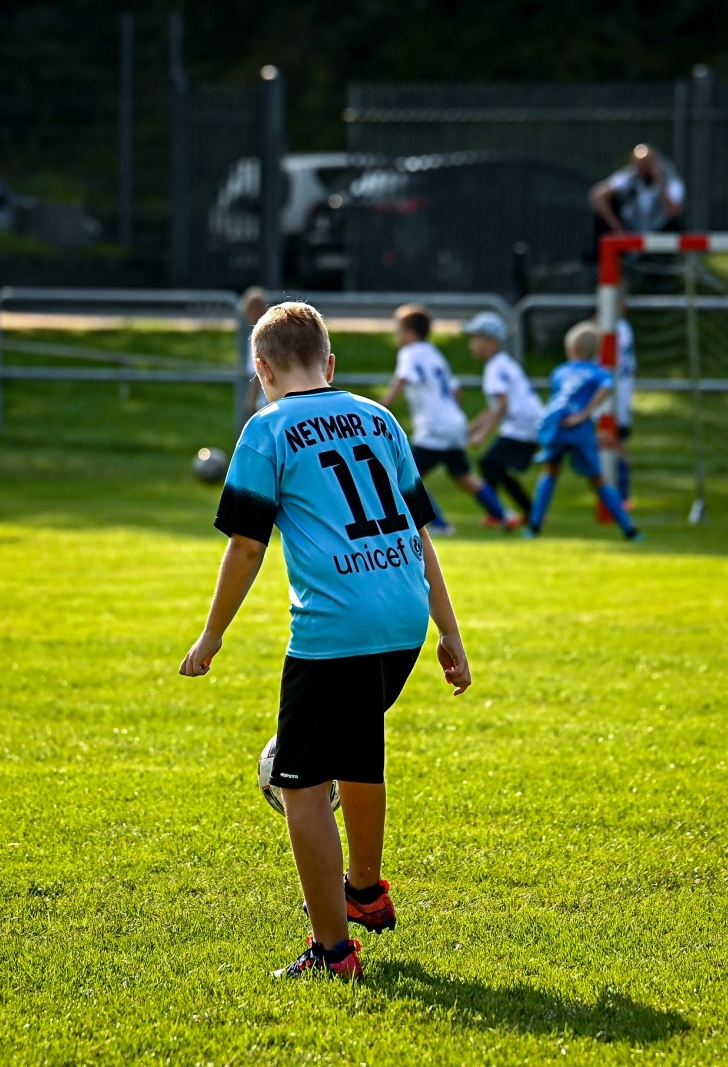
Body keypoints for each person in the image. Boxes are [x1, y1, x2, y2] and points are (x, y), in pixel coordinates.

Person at [177, 302, 471, 980]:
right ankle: (365, 892)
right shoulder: (380, 417)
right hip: (402, 616)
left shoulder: (267, 428)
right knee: (358, 753)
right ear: (330, 364)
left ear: (262, 370)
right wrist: (449, 631)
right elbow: (419, 533)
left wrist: (212, 634)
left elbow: (248, 546)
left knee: (301, 782)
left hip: (336, 622)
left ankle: (333, 951)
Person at [381, 304, 514, 534]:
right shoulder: (434, 353)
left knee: (403, 474)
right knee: (463, 475)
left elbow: (400, 382)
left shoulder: (410, 353)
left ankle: (441, 524)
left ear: (410, 333)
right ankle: (503, 515)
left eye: (399, 330)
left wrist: (379, 409)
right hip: (453, 423)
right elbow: (456, 390)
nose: (397, 336)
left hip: (433, 428)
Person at [525, 321, 641, 541]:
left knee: (550, 472)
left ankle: (534, 526)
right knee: (598, 481)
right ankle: (629, 529)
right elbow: (608, 386)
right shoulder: (598, 372)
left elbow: (556, 398)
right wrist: (587, 413)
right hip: (580, 428)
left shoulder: (559, 372)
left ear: (572, 349)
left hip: (559, 426)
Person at [462, 311, 538, 526]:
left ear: (490, 341)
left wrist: (481, 436)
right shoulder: (502, 364)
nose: (472, 345)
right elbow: (493, 407)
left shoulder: (495, 368)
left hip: (522, 427)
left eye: (476, 339)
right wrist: (471, 429)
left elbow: (501, 406)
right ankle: (529, 511)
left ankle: (496, 513)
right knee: (497, 467)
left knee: (489, 463)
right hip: (527, 425)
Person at [590, 144, 685, 238]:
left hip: (661, 233)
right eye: (640, 165)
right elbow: (598, 195)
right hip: (632, 231)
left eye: (647, 163)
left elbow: (674, 212)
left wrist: (660, 184)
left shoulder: (671, 180)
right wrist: (617, 228)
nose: (644, 168)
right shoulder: (631, 177)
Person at [613, 288, 637, 506]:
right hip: (617, 393)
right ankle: (617, 493)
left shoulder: (618, 328)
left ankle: (623, 494)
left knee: (615, 442)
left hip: (616, 395)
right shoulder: (623, 327)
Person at [240, 286, 272, 421]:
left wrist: (251, 398)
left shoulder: (260, 336)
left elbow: (260, 370)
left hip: (267, 399)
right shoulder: (273, 332)